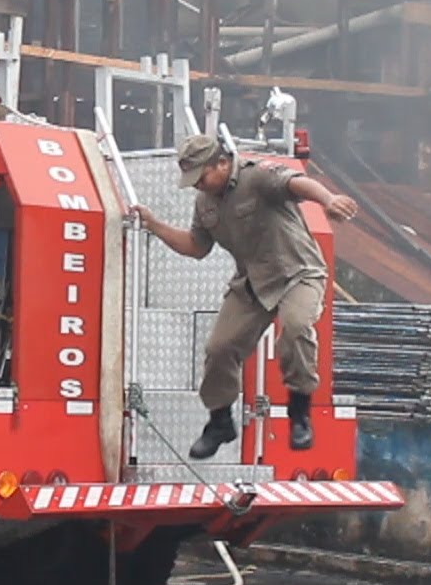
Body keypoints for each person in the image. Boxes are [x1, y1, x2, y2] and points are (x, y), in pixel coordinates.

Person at [130, 135, 357, 460]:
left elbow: (297, 183)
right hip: (252, 283)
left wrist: (328, 199)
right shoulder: (206, 202)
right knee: (219, 348)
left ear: (221, 164)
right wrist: (154, 225)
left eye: (202, 177)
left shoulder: (257, 176)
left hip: (298, 273)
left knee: (295, 329)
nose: (198, 186)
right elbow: (196, 247)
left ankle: (299, 412)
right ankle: (220, 421)